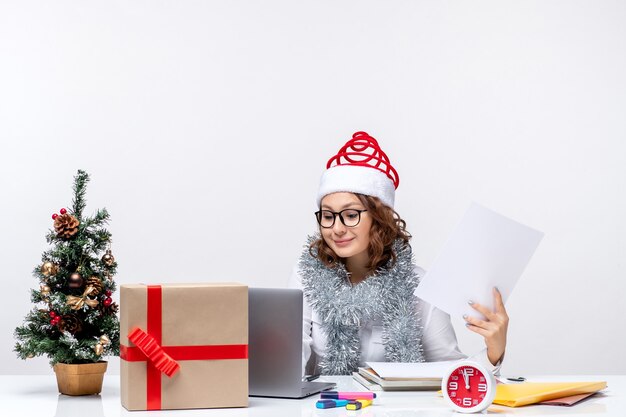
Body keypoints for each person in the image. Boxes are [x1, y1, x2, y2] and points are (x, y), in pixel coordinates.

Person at [288, 131, 509, 376]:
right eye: (328, 216)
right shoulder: (305, 277)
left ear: (379, 219)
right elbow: (289, 363)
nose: (337, 228)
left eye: (351, 215)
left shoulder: (419, 286)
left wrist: (493, 352)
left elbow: (449, 373)